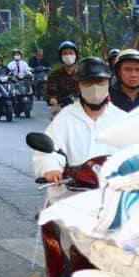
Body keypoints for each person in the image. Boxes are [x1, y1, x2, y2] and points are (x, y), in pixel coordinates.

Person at [33, 57, 128, 190]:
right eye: (88, 82)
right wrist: (51, 169)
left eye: (100, 82)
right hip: (72, 196)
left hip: (114, 196)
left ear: (108, 83)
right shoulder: (65, 118)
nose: (94, 87)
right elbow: (49, 152)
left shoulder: (123, 119)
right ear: (79, 85)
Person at [46, 41, 81, 110]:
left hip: (82, 108)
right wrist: (53, 100)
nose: (68, 56)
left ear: (76, 55)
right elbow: (51, 92)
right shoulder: (54, 75)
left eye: (71, 53)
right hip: (61, 108)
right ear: (61, 57)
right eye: (65, 53)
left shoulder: (83, 73)